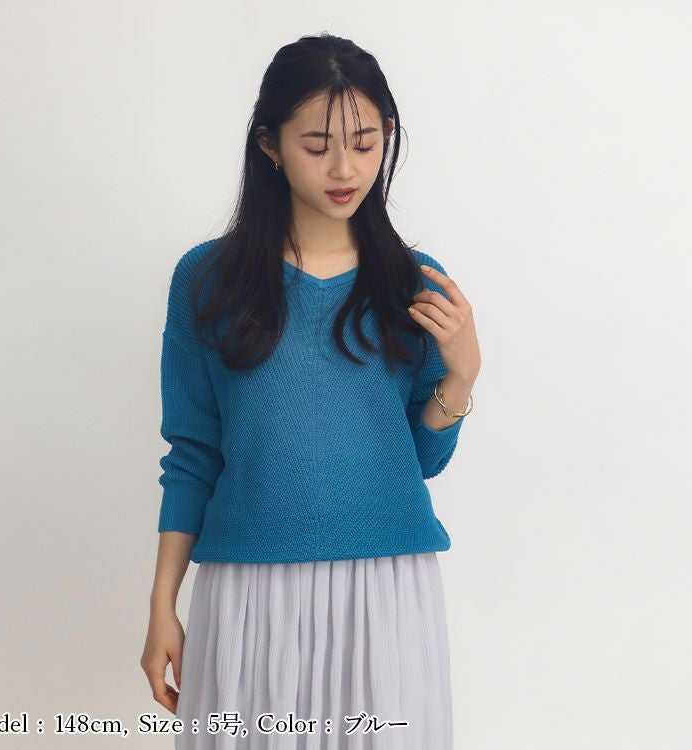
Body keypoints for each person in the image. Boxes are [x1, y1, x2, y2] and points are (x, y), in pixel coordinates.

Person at [140, 32, 481, 749]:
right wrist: (162, 605)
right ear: (269, 144)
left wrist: (461, 375)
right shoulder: (207, 280)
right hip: (248, 592)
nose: (344, 167)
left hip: (385, 591)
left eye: (365, 143)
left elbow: (419, 460)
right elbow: (193, 454)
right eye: (317, 145)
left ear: (388, 137)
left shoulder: (416, 283)